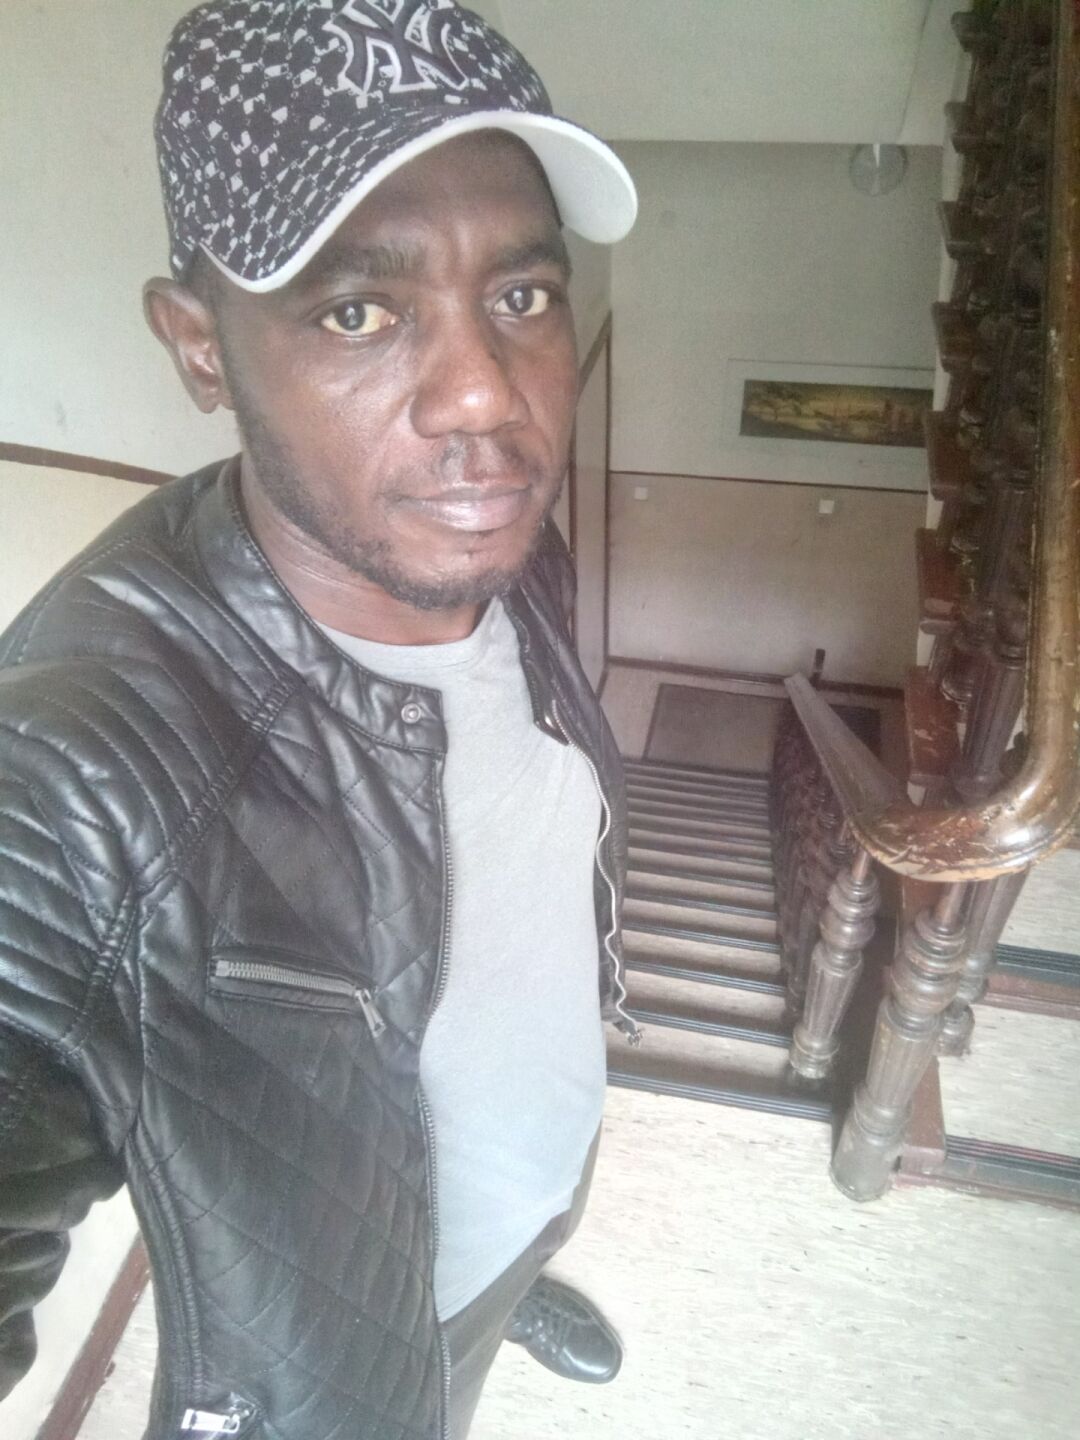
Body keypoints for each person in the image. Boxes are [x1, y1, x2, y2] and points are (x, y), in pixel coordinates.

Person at [0, 3, 640, 1437]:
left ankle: (517, 1267)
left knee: (514, 1210)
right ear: (200, 349)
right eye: (360, 311)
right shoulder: (69, 784)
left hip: (521, 1157)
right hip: (345, 1359)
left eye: (523, 296)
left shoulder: (493, 537)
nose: (485, 397)